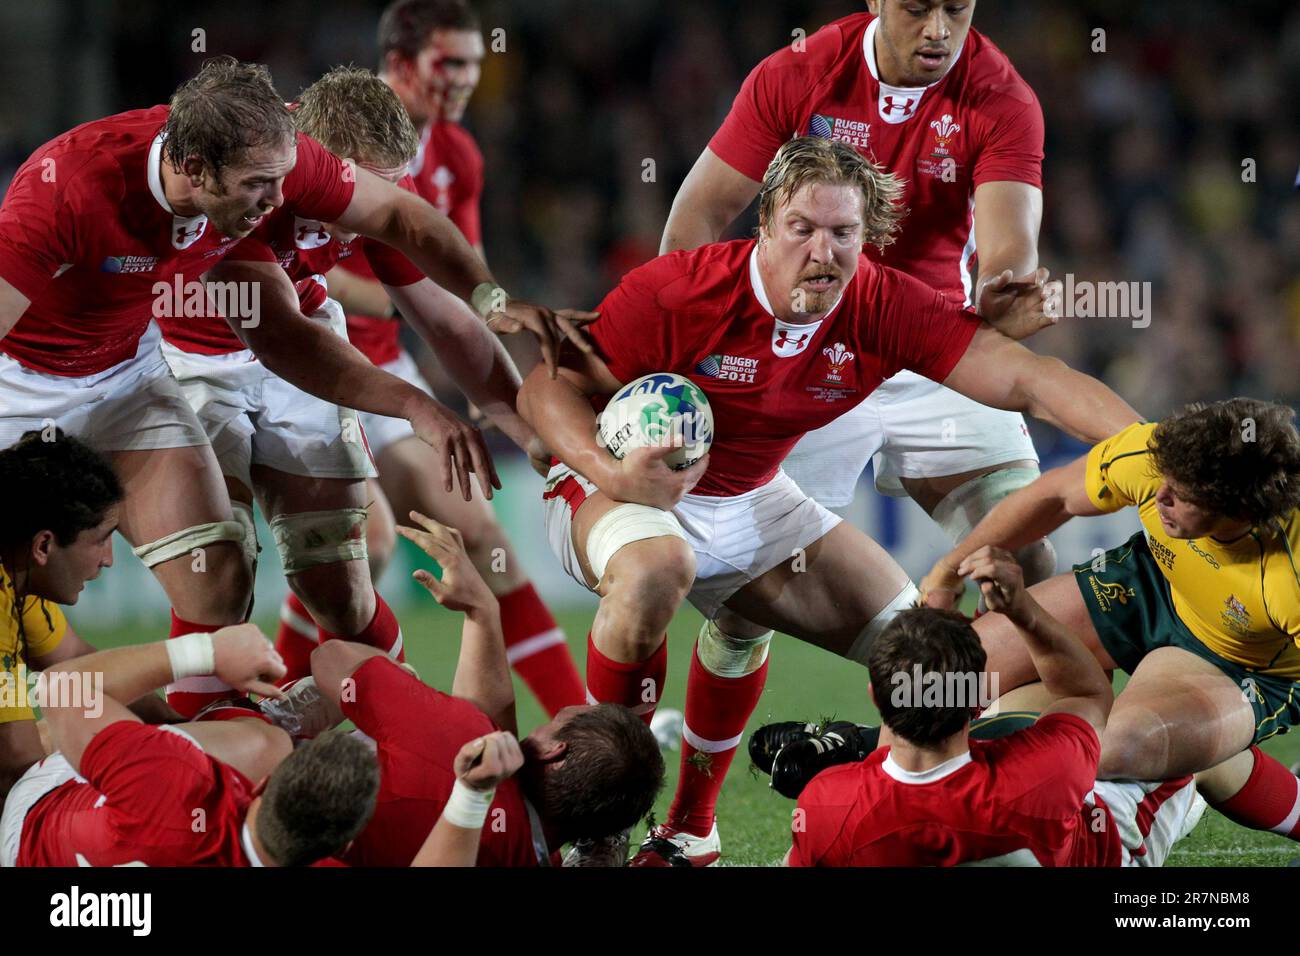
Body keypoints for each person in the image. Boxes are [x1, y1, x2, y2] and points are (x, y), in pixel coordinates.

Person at [519, 135, 1140, 865]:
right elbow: (544, 385)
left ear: (867, 239)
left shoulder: (882, 303)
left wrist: (1154, 449)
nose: (822, 251)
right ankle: (601, 827)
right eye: (802, 229)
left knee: (937, 670)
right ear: (765, 228)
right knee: (659, 565)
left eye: (842, 233)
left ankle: (701, 827)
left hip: (751, 500)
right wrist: (610, 471)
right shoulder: (682, 290)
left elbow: (1028, 379)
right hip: (610, 488)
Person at [0, 55, 589, 717]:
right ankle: (190, 748)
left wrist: (502, 339)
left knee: (267, 574)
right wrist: (416, 405)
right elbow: (282, 337)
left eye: (287, 182)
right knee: (35, 628)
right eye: (262, 186)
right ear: (196, 172)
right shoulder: (71, 190)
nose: (282, 202)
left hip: (136, 376)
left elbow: (413, 247)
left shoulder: (280, 164)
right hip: (132, 370)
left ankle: (296, 747)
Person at [157, 66, 542, 687]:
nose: (363, 217)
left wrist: (526, 428)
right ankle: (205, 759)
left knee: (341, 583)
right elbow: (286, 339)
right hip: (194, 355)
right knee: (218, 578)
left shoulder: (371, 187)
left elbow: (446, 322)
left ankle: (373, 731)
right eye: (365, 186)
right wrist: (418, 406)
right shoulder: (248, 179)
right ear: (314, 161)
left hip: (298, 343)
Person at [663, 0, 1056, 588]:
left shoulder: (1001, 96)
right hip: (799, 347)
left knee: (1023, 557)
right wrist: (703, 347)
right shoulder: (798, 73)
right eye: (917, 8)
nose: (939, 30)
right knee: (756, 591)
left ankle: (975, 683)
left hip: (935, 344)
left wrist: (1004, 290)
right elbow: (694, 222)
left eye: (957, 8)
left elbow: (1009, 248)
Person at [298, 0, 585, 716]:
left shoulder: (456, 155)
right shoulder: (336, 142)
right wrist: (389, 298)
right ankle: (293, 706)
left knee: (480, 537)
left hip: (386, 366)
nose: (462, 80)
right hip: (310, 363)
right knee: (363, 546)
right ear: (400, 65)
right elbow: (288, 268)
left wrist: (513, 402)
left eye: (472, 66)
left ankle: (579, 719)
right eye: (448, 63)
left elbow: (463, 289)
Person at [920, 398, 1300, 846]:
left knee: (1120, 748)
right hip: (1149, 586)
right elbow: (1052, 496)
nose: (1161, 497)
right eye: (1165, 482)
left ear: (1239, 509)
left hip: (1243, 664)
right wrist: (947, 572)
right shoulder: (1154, 456)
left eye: (1182, 496)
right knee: (944, 678)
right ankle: (865, 750)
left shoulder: (1289, 572)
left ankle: (1208, 759)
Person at [783, 548, 1203, 867]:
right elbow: (1086, 692)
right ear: (975, 696)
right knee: (1190, 716)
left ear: (876, 696)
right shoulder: (1046, 770)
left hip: (928, 772)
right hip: (1104, 845)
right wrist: (1022, 611)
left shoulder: (825, 802)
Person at [309, 511, 664, 867]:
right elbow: (489, 745)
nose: (542, 722)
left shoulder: (455, 733)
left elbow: (331, 658)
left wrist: (398, 684)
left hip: (268, 810)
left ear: (554, 750)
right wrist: (482, 612)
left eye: (556, 719)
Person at [0, 621, 379, 867]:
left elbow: (60, 688)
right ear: (340, 851)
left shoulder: (177, 778)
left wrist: (206, 651)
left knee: (266, 743)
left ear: (262, 785)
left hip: (31, 832)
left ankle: (260, 719)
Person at [0, 431, 181, 798]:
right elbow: (17, 773)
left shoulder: (17, 576)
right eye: (101, 538)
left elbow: (82, 671)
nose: (109, 559)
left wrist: (181, 728)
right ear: (44, 545)